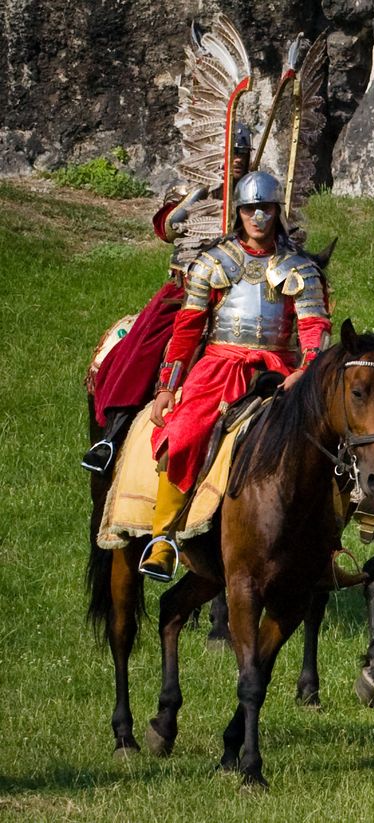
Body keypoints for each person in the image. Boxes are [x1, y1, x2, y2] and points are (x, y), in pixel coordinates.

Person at [138, 170, 332, 582]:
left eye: (265, 208)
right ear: (239, 213)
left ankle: (324, 543)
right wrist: (167, 387)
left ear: (278, 211)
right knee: (183, 435)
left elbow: (314, 327)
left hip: (278, 370)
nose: (257, 216)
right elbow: (187, 329)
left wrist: (307, 369)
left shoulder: (300, 267)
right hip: (218, 368)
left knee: (330, 443)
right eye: (249, 209)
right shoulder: (213, 262)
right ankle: (163, 538)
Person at [82, 124, 252, 475]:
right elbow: (164, 227)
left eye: (243, 154)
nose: (237, 160)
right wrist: (190, 204)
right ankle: (113, 437)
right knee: (142, 352)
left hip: (240, 296)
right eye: (232, 152)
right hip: (184, 293)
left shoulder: (255, 196)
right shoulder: (190, 187)